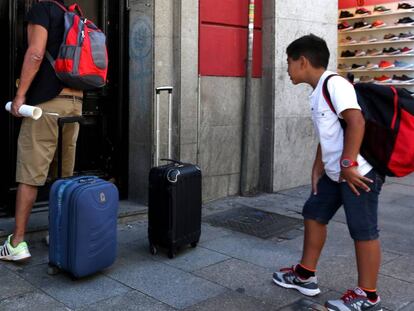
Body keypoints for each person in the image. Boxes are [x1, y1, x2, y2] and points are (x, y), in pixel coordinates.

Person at [272, 34, 384, 311]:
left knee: (363, 230)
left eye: (288, 62)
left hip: (358, 173)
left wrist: (348, 164)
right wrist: (317, 168)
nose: (286, 69)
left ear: (303, 61)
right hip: (336, 174)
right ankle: (304, 275)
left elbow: (355, 122)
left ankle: (368, 296)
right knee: (313, 213)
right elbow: (330, 132)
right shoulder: (318, 90)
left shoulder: (335, 85)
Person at [0, 0, 82, 261]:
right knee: (63, 175)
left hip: (47, 104)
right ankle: (59, 234)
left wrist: (20, 96)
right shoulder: (76, 14)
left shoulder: (43, 9)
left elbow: (36, 53)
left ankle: (17, 243)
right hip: (75, 102)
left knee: (30, 173)